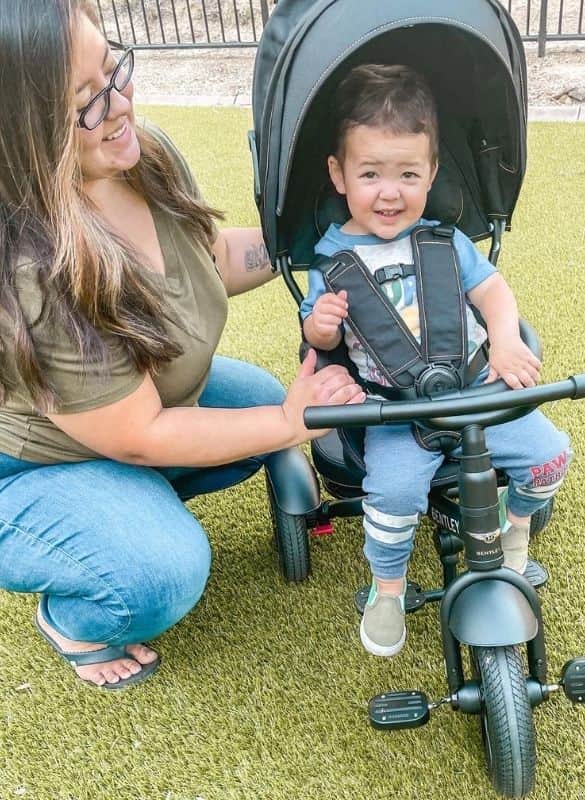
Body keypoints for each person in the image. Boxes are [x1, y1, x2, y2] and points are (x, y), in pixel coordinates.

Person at [0, 0, 364, 691]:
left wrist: (325, 246)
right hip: (27, 471)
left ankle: (124, 506)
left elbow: (209, 258)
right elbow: (139, 432)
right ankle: (76, 611)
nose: (119, 103)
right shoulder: (34, 268)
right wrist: (292, 421)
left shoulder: (142, 156)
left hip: (129, 420)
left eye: (114, 69)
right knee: (159, 572)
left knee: (252, 401)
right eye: (86, 100)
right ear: (20, 128)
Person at [300, 64, 573, 658]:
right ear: (339, 175)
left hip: (477, 391)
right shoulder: (332, 263)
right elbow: (320, 342)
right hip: (398, 414)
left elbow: (493, 292)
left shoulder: (444, 241)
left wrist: (504, 339)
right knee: (393, 499)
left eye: (408, 174)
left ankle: (517, 529)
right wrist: (321, 328)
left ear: (432, 174)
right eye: (370, 174)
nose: (390, 192)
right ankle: (389, 589)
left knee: (551, 457)